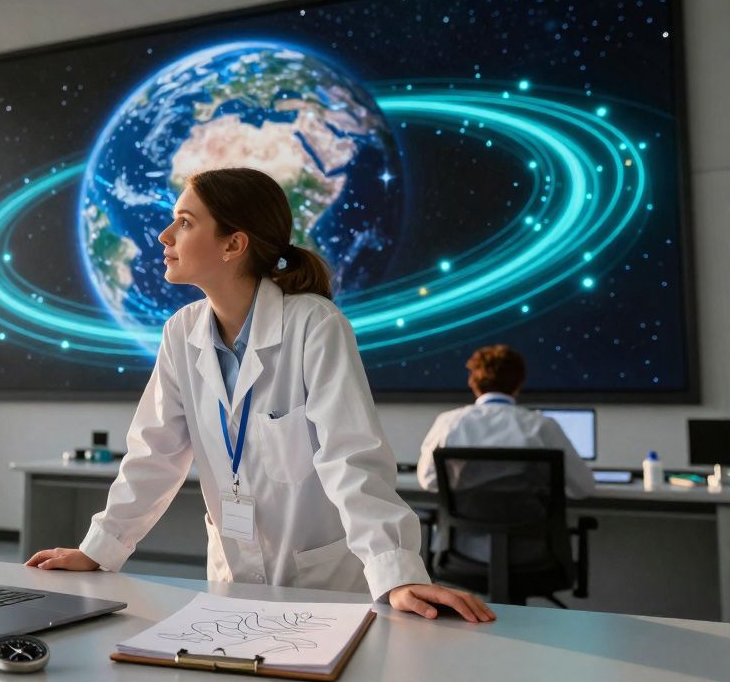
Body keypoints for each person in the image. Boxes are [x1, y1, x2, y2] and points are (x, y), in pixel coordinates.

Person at [26, 168, 494, 623]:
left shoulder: (315, 324)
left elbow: (351, 456)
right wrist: (97, 551)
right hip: (230, 582)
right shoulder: (180, 332)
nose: (165, 236)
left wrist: (397, 573)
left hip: (325, 586)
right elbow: (155, 455)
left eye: (185, 223)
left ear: (234, 244)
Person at [416, 346, 594, 559]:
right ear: (518, 384)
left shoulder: (449, 423)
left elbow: (428, 480)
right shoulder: (541, 426)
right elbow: (583, 488)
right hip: (532, 555)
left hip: (461, 552)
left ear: (473, 382)